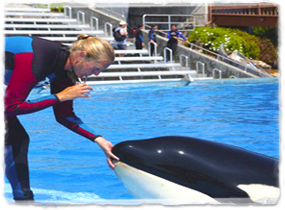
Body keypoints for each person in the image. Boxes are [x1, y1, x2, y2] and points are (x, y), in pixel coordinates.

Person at [1, 35, 119, 202]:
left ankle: (25, 200)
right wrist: (59, 97)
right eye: (96, 68)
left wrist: (99, 140)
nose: (97, 74)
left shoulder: (64, 70)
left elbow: (64, 115)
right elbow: (10, 108)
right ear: (81, 56)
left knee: (16, 137)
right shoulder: (38, 57)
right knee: (15, 136)